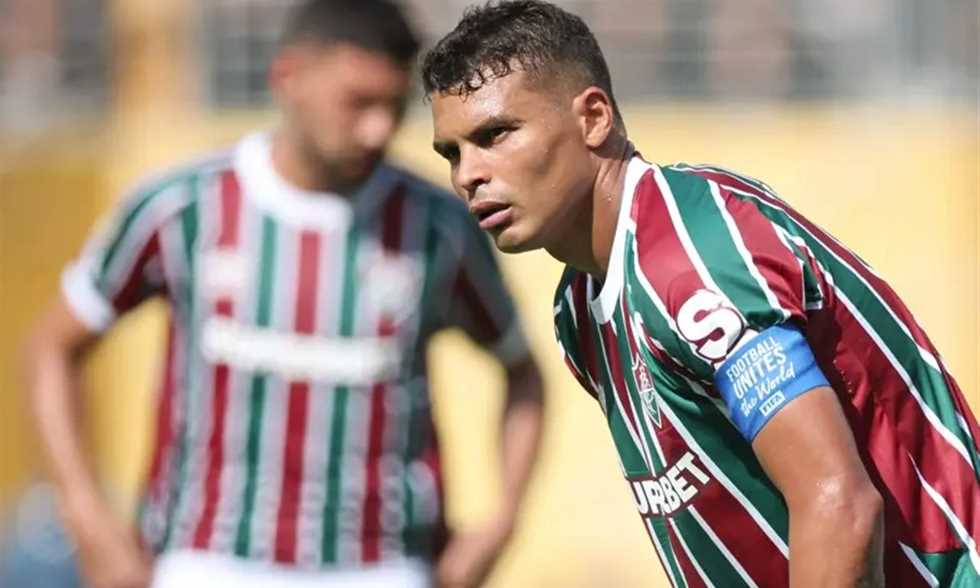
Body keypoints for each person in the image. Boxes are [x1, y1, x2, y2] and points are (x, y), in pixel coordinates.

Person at [422, 1, 980, 586]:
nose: (467, 174)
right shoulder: (579, 307)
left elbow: (838, 503)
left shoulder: (690, 262)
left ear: (593, 118)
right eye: (452, 153)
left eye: (495, 135)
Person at [22, 1, 545, 587]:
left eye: (392, 107)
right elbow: (52, 347)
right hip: (207, 563)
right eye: (357, 103)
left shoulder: (437, 226)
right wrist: (86, 516)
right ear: (288, 78)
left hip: (382, 567)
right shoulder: (181, 208)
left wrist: (500, 522)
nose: (377, 129)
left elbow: (521, 369)